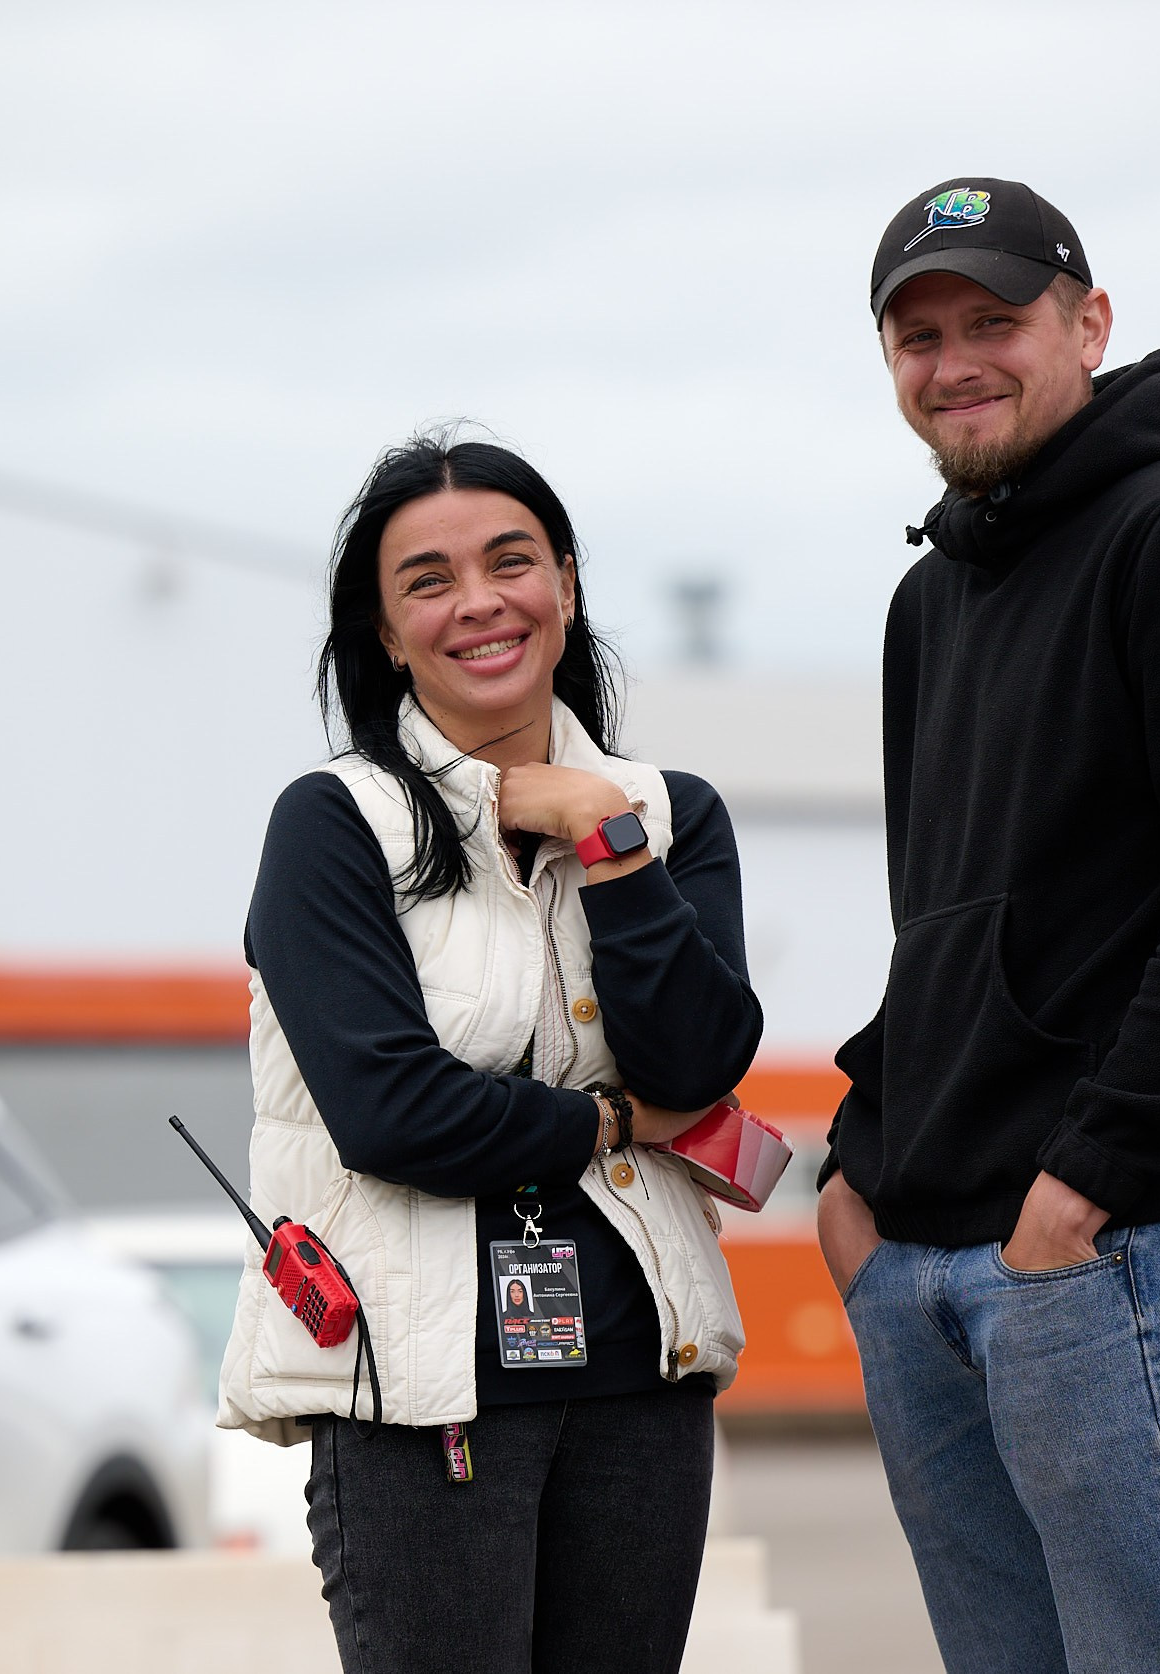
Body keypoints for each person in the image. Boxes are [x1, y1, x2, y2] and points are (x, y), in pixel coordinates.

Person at [818, 178, 1160, 1672]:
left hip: (1104, 1257)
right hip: (919, 1269)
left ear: (1089, 325)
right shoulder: (928, 604)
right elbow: (941, 923)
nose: (954, 362)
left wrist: (1080, 1191)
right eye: (918, 337)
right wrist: (856, 1168)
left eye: (994, 321)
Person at [219, 435, 763, 1674]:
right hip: (423, 1402)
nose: (478, 601)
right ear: (385, 631)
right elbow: (394, 1115)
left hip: (644, 1382)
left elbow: (694, 1064)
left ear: (564, 584)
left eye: (510, 561)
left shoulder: (667, 814)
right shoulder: (333, 826)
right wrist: (609, 1124)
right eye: (428, 580)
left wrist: (604, 837)